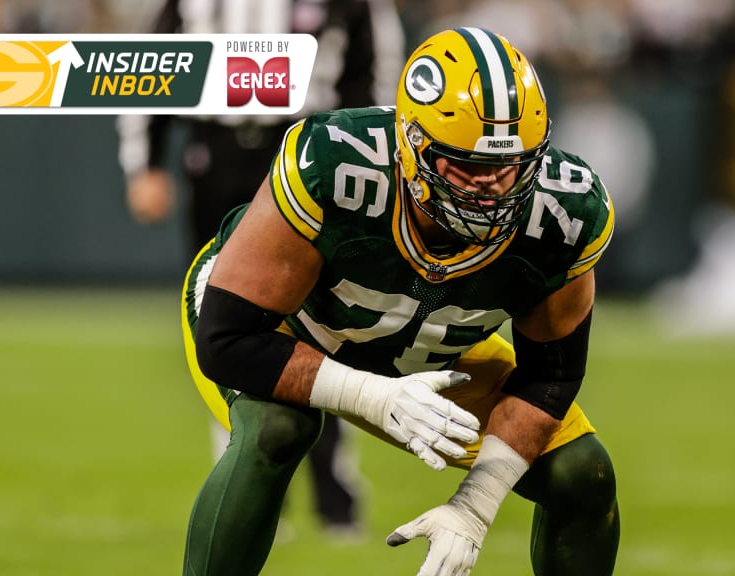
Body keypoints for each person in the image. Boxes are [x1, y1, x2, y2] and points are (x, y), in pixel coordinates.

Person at [181, 26, 620, 575]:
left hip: (429, 353)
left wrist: (475, 507)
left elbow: (549, 375)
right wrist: (369, 395)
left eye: (509, 168)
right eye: (466, 166)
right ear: (411, 146)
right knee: (278, 428)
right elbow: (229, 339)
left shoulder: (565, 213)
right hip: (295, 327)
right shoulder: (334, 163)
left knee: (582, 472)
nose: (491, 189)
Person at [121, 0, 405, 538]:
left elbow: (376, 74)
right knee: (220, 319)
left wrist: (373, 162)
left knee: (322, 323)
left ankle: (334, 494)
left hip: (311, 153)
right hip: (217, 151)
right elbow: (152, 63)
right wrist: (146, 163)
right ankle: (242, 483)